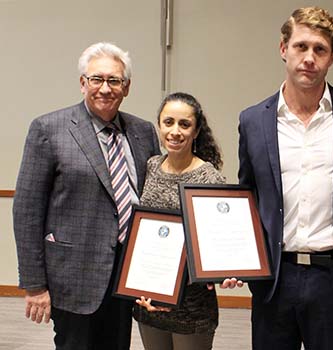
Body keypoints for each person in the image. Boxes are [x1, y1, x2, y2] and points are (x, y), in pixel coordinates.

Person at [237, 7, 333, 350]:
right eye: (301, 47)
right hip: (275, 278)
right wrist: (235, 257)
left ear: (332, 57)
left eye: (320, 49)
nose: (309, 58)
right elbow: (247, 196)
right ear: (283, 49)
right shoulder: (253, 120)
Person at [12, 42, 161, 349]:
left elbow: (153, 202)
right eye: (97, 79)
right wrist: (34, 285)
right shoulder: (49, 129)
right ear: (83, 83)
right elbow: (27, 211)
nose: (105, 88)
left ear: (127, 87)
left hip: (127, 273)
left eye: (114, 80)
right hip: (73, 275)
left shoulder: (142, 132)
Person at [132, 92, 226, 350]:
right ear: (159, 126)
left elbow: (215, 246)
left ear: (196, 131)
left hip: (192, 308)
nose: (175, 131)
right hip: (148, 303)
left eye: (184, 124)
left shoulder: (209, 179)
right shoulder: (150, 167)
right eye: (168, 122)